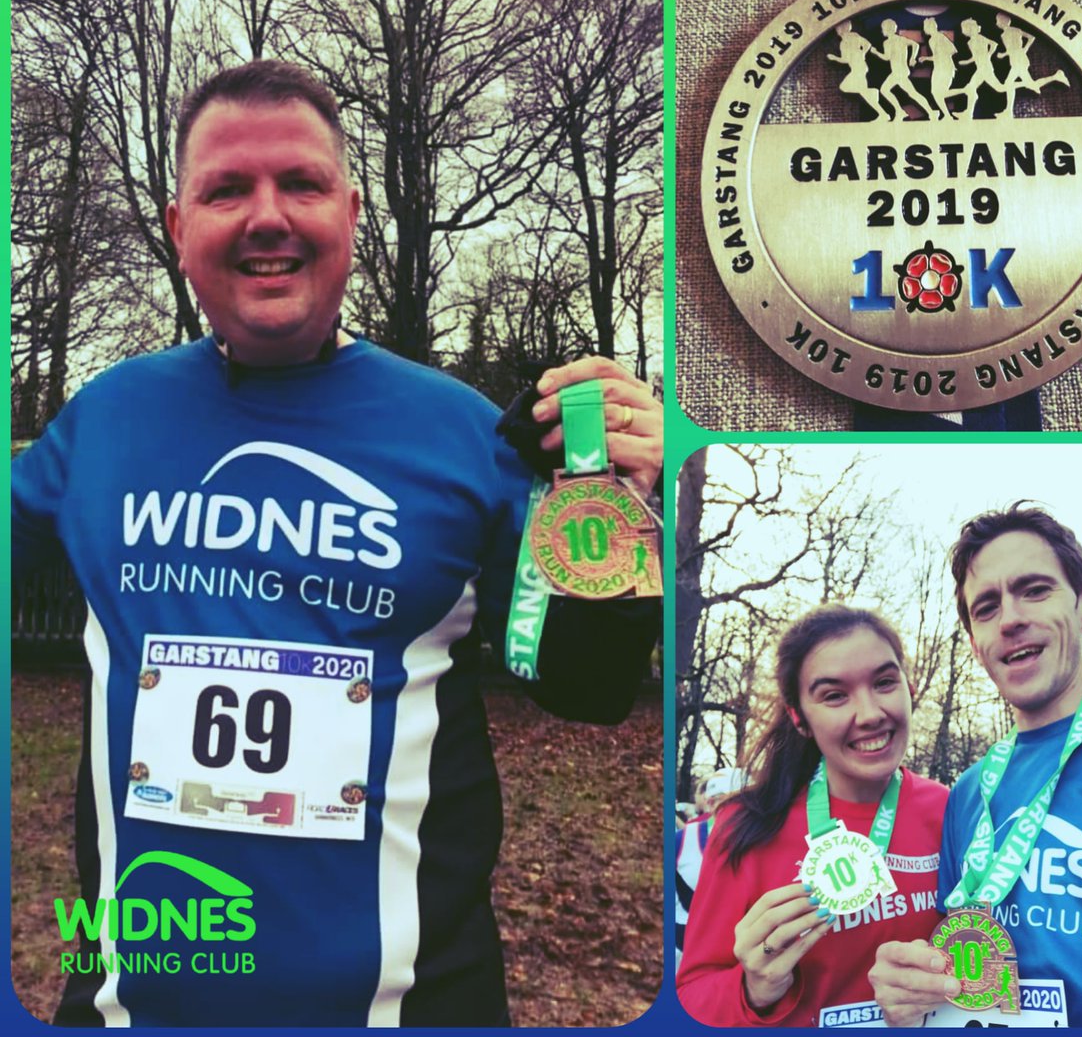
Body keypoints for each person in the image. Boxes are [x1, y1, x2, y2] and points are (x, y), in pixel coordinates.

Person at [11, 60, 663, 1027]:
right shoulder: (103, 420)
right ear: (179, 222)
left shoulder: (463, 434)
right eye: (226, 189)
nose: (266, 217)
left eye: (301, 184)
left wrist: (627, 507)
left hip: (411, 1006)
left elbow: (586, 683)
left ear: (352, 213)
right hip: (121, 1005)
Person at [870, 505, 1082, 1028]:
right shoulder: (970, 792)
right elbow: (965, 967)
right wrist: (911, 987)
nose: (1011, 618)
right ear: (976, 646)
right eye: (987, 608)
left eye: (1035, 590)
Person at [677, 606, 948, 1026]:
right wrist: (753, 990)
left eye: (884, 682)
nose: (871, 713)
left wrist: (947, 981)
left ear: (909, 688)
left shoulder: (951, 810)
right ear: (799, 717)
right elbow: (691, 997)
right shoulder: (745, 825)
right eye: (834, 695)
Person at [675, 766, 747, 973]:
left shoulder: (767, 838)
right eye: (726, 801)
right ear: (709, 802)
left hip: (745, 948)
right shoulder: (683, 839)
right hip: (689, 945)